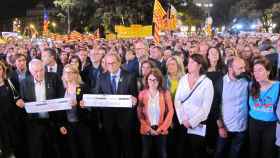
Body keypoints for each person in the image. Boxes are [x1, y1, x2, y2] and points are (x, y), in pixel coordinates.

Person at [18, 59, 64, 158]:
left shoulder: (54, 77)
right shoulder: (24, 83)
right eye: (36, 71)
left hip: (52, 121)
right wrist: (21, 102)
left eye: (42, 70)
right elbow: (24, 102)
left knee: (55, 149)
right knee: (37, 151)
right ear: (30, 71)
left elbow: (61, 97)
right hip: (35, 123)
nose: (40, 73)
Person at [95, 53, 138, 158]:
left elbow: (134, 96)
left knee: (128, 147)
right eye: (108, 63)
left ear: (119, 63)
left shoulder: (130, 76)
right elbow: (98, 97)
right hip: (109, 119)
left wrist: (134, 100)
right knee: (113, 147)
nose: (111, 65)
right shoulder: (101, 77)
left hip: (126, 119)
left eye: (113, 63)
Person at [174, 53, 214, 158]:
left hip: (198, 124)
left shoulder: (207, 83)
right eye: (189, 62)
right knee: (182, 150)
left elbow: (206, 108)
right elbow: (177, 100)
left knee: (196, 151)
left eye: (192, 62)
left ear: (199, 65)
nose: (189, 64)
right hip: (183, 123)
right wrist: (183, 119)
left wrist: (192, 122)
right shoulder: (183, 79)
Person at [214, 57, 249, 158]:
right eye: (240, 68)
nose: (244, 70)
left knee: (235, 154)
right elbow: (215, 107)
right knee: (219, 153)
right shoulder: (220, 83)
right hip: (225, 127)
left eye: (244, 67)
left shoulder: (247, 79)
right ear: (230, 69)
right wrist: (220, 127)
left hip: (242, 128)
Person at [59, 64, 94, 158]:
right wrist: (61, 124)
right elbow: (59, 110)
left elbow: (91, 107)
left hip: (83, 123)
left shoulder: (83, 87)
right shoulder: (61, 89)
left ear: (76, 74)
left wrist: (79, 104)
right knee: (73, 151)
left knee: (87, 150)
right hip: (69, 125)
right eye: (65, 73)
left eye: (70, 72)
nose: (67, 75)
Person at [137, 68, 174, 158]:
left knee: (162, 154)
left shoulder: (165, 93)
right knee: (146, 154)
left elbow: (170, 111)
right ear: (147, 80)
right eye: (150, 79)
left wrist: (161, 129)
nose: (152, 82)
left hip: (161, 130)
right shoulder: (142, 94)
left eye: (155, 80)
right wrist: (149, 129)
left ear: (159, 81)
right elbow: (139, 114)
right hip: (146, 130)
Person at [249, 57, 278, 158]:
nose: (256, 73)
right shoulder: (251, 85)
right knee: (253, 151)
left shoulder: (277, 86)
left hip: (270, 125)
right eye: (254, 71)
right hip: (254, 123)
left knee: (268, 152)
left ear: (268, 71)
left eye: (260, 70)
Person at [0, 60, 25, 158]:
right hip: (1, 124)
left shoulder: (10, 82)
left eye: (0, 69)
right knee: (5, 149)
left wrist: (19, 101)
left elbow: (17, 97)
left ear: (3, 70)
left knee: (17, 146)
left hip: (13, 121)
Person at [163, 56, 185, 158]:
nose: (170, 66)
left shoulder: (185, 80)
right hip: (168, 115)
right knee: (170, 142)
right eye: (168, 64)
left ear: (179, 65)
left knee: (181, 142)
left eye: (173, 64)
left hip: (183, 116)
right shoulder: (163, 79)